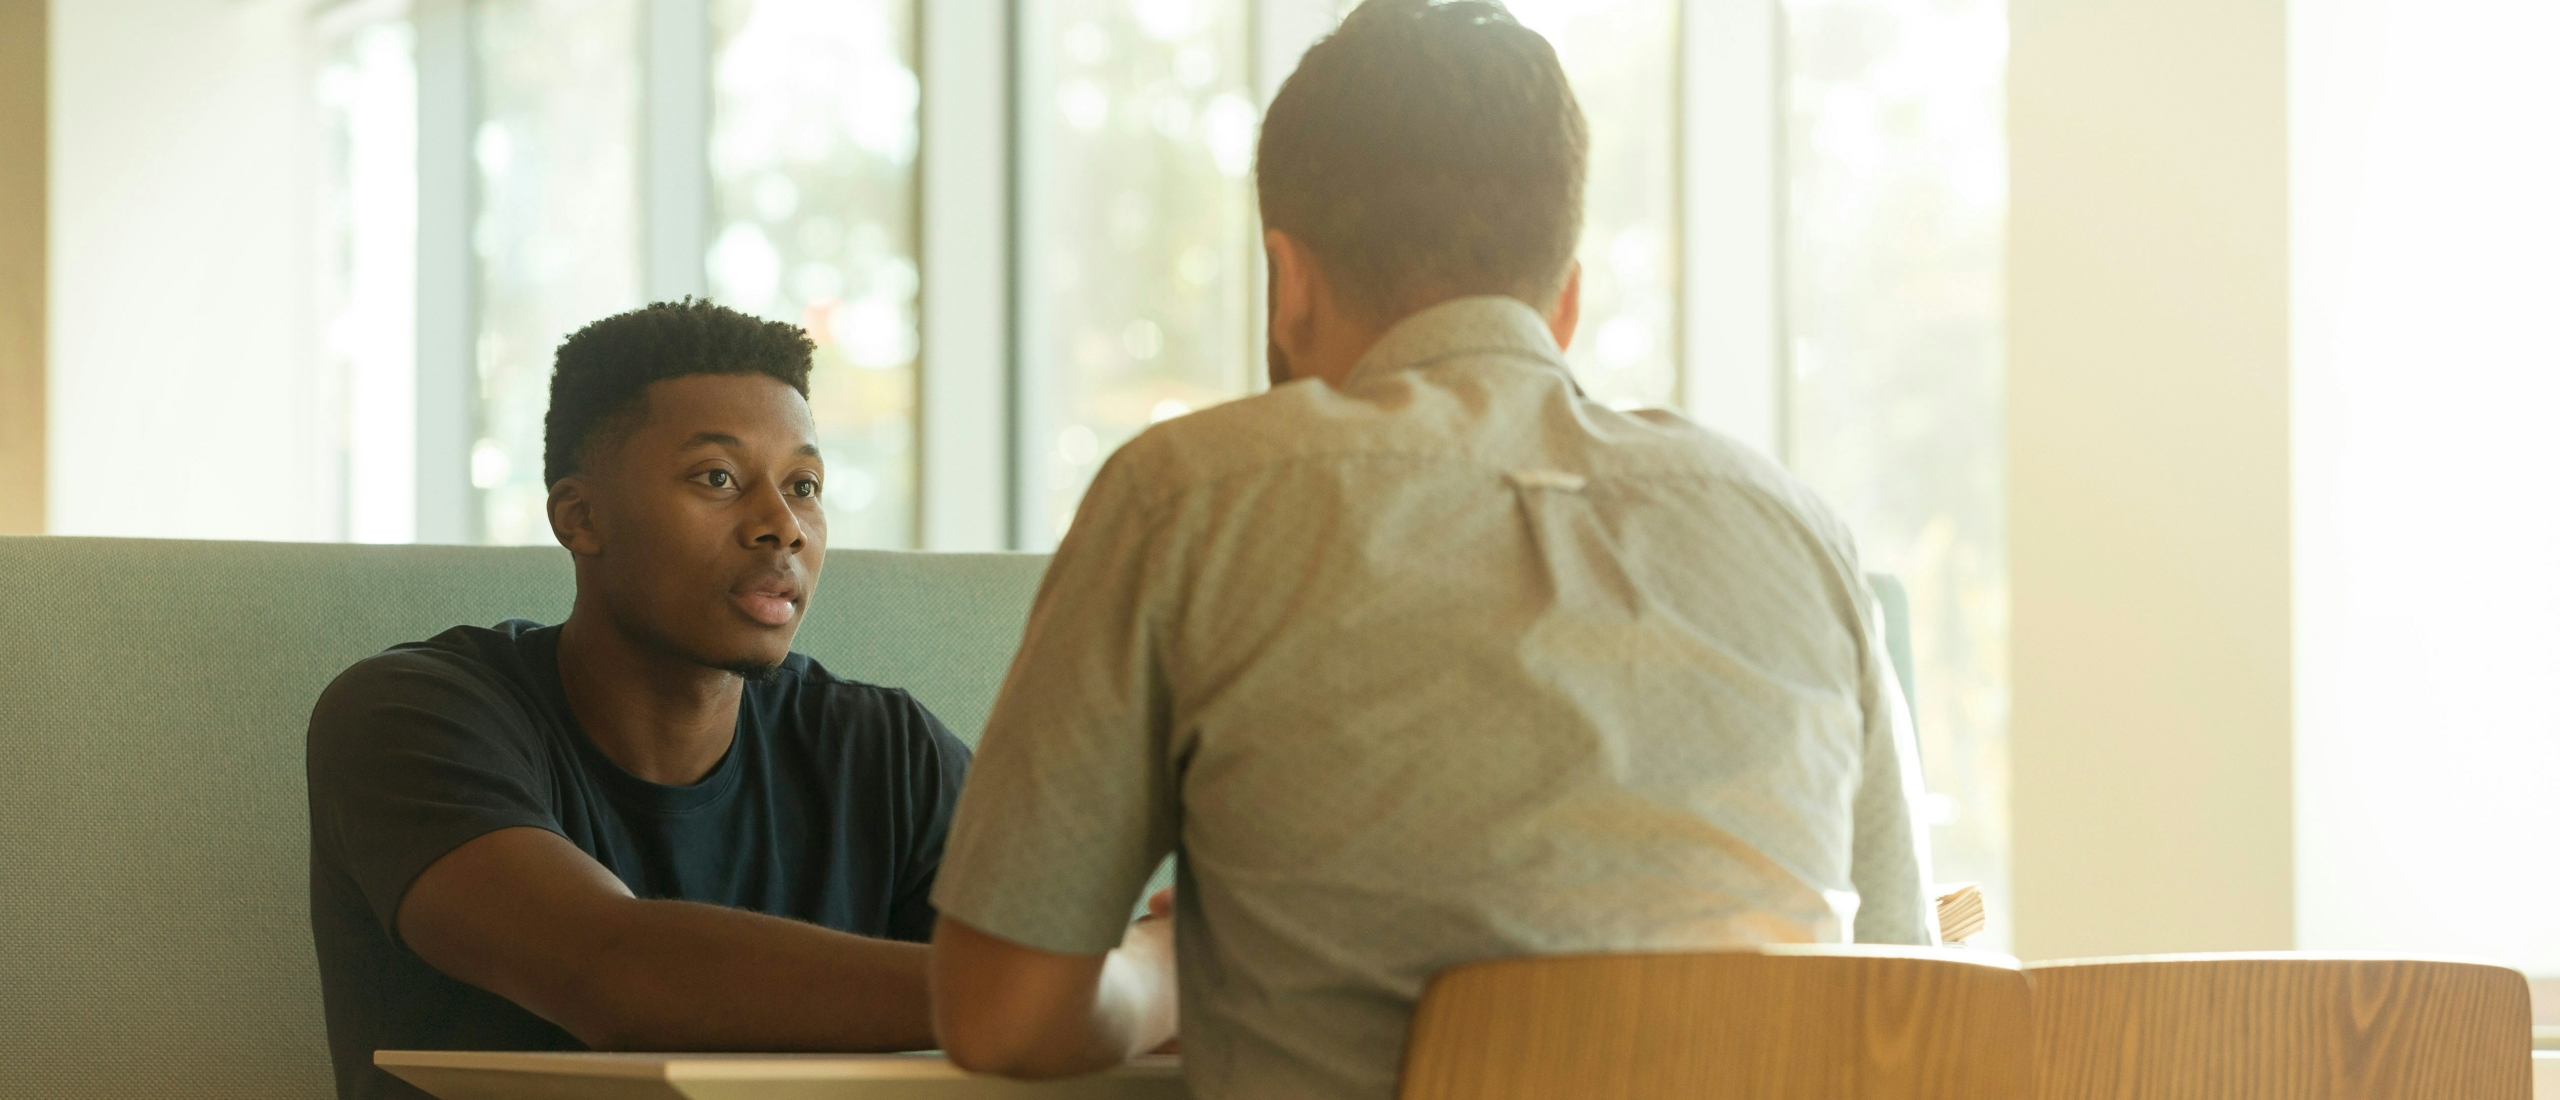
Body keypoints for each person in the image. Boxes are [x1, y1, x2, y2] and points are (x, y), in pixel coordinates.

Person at [924, 2, 1937, 1097]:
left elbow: (1005, 1012)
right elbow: (1906, 998)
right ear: (1567, 299)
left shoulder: (1187, 498)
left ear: (1287, 280)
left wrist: (1166, 970)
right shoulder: (1796, 529)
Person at [305, 300, 971, 1100]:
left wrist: (1120, 977)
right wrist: (1048, 994)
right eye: (717, 478)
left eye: (804, 485)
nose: (782, 526)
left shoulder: (887, 752)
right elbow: (617, 975)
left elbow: (1093, 977)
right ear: (581, 519)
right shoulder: (410, 717)